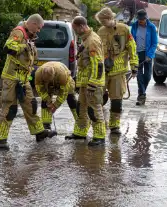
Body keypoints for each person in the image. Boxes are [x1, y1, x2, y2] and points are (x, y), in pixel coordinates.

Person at [0, 14, 56, 150]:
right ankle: (1, 139)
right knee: (10, 108)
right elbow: (8, 48)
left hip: (23, 79)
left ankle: (39, 132)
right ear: (32, 23)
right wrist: (24, 47)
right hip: (12, 78)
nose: (38, 31)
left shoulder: (29, 36)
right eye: (38, 28)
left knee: (31, 105)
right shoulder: (18, 32)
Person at [95, 7, 139, 135]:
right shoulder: (100, 31)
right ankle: (99, 123)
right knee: (97, 98)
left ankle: (114, 126)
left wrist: (134, 66)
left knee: (116, 100)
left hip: (119, 72)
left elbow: (132, 48)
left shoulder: (124, 29)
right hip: (103, 71)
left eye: (104, 21)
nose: (103, 24)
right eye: (101, 22)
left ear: (110, 18)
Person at [65, 16, 106, 146]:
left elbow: (97, 64)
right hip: (84, 83)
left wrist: (93, 83)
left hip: (92, 83)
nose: (75, 32)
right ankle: (80, 132)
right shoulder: (86, 40)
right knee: (81, 108)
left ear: (82, 26)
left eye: (76, 29)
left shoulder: (92, 40)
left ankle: (99, 136)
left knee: (94, 110)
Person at [35, 61, 78, 130]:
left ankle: (79, 121)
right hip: (49, 82)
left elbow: (63, 93)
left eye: (49, 80)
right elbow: (40, 89)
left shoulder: (62, 75)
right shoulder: (38, 74)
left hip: (65, 80)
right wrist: (48, 100)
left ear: (53, 75)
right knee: (45, 100)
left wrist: (55, 105)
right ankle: (46, 124)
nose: (47, 82)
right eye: (46, 81)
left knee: (70, 98)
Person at [131, 9, 158, 106]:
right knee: (139, 76)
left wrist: (149, 55)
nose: (140, 21)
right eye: (139, 20)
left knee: (147, 76)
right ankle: (142, 96)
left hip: (147, 55)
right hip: (137, 54)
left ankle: (141, 94)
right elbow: (131, 41)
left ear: (146, 18)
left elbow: (154, 43)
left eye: (142, 20)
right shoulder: (134, 26)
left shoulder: (151, 27)